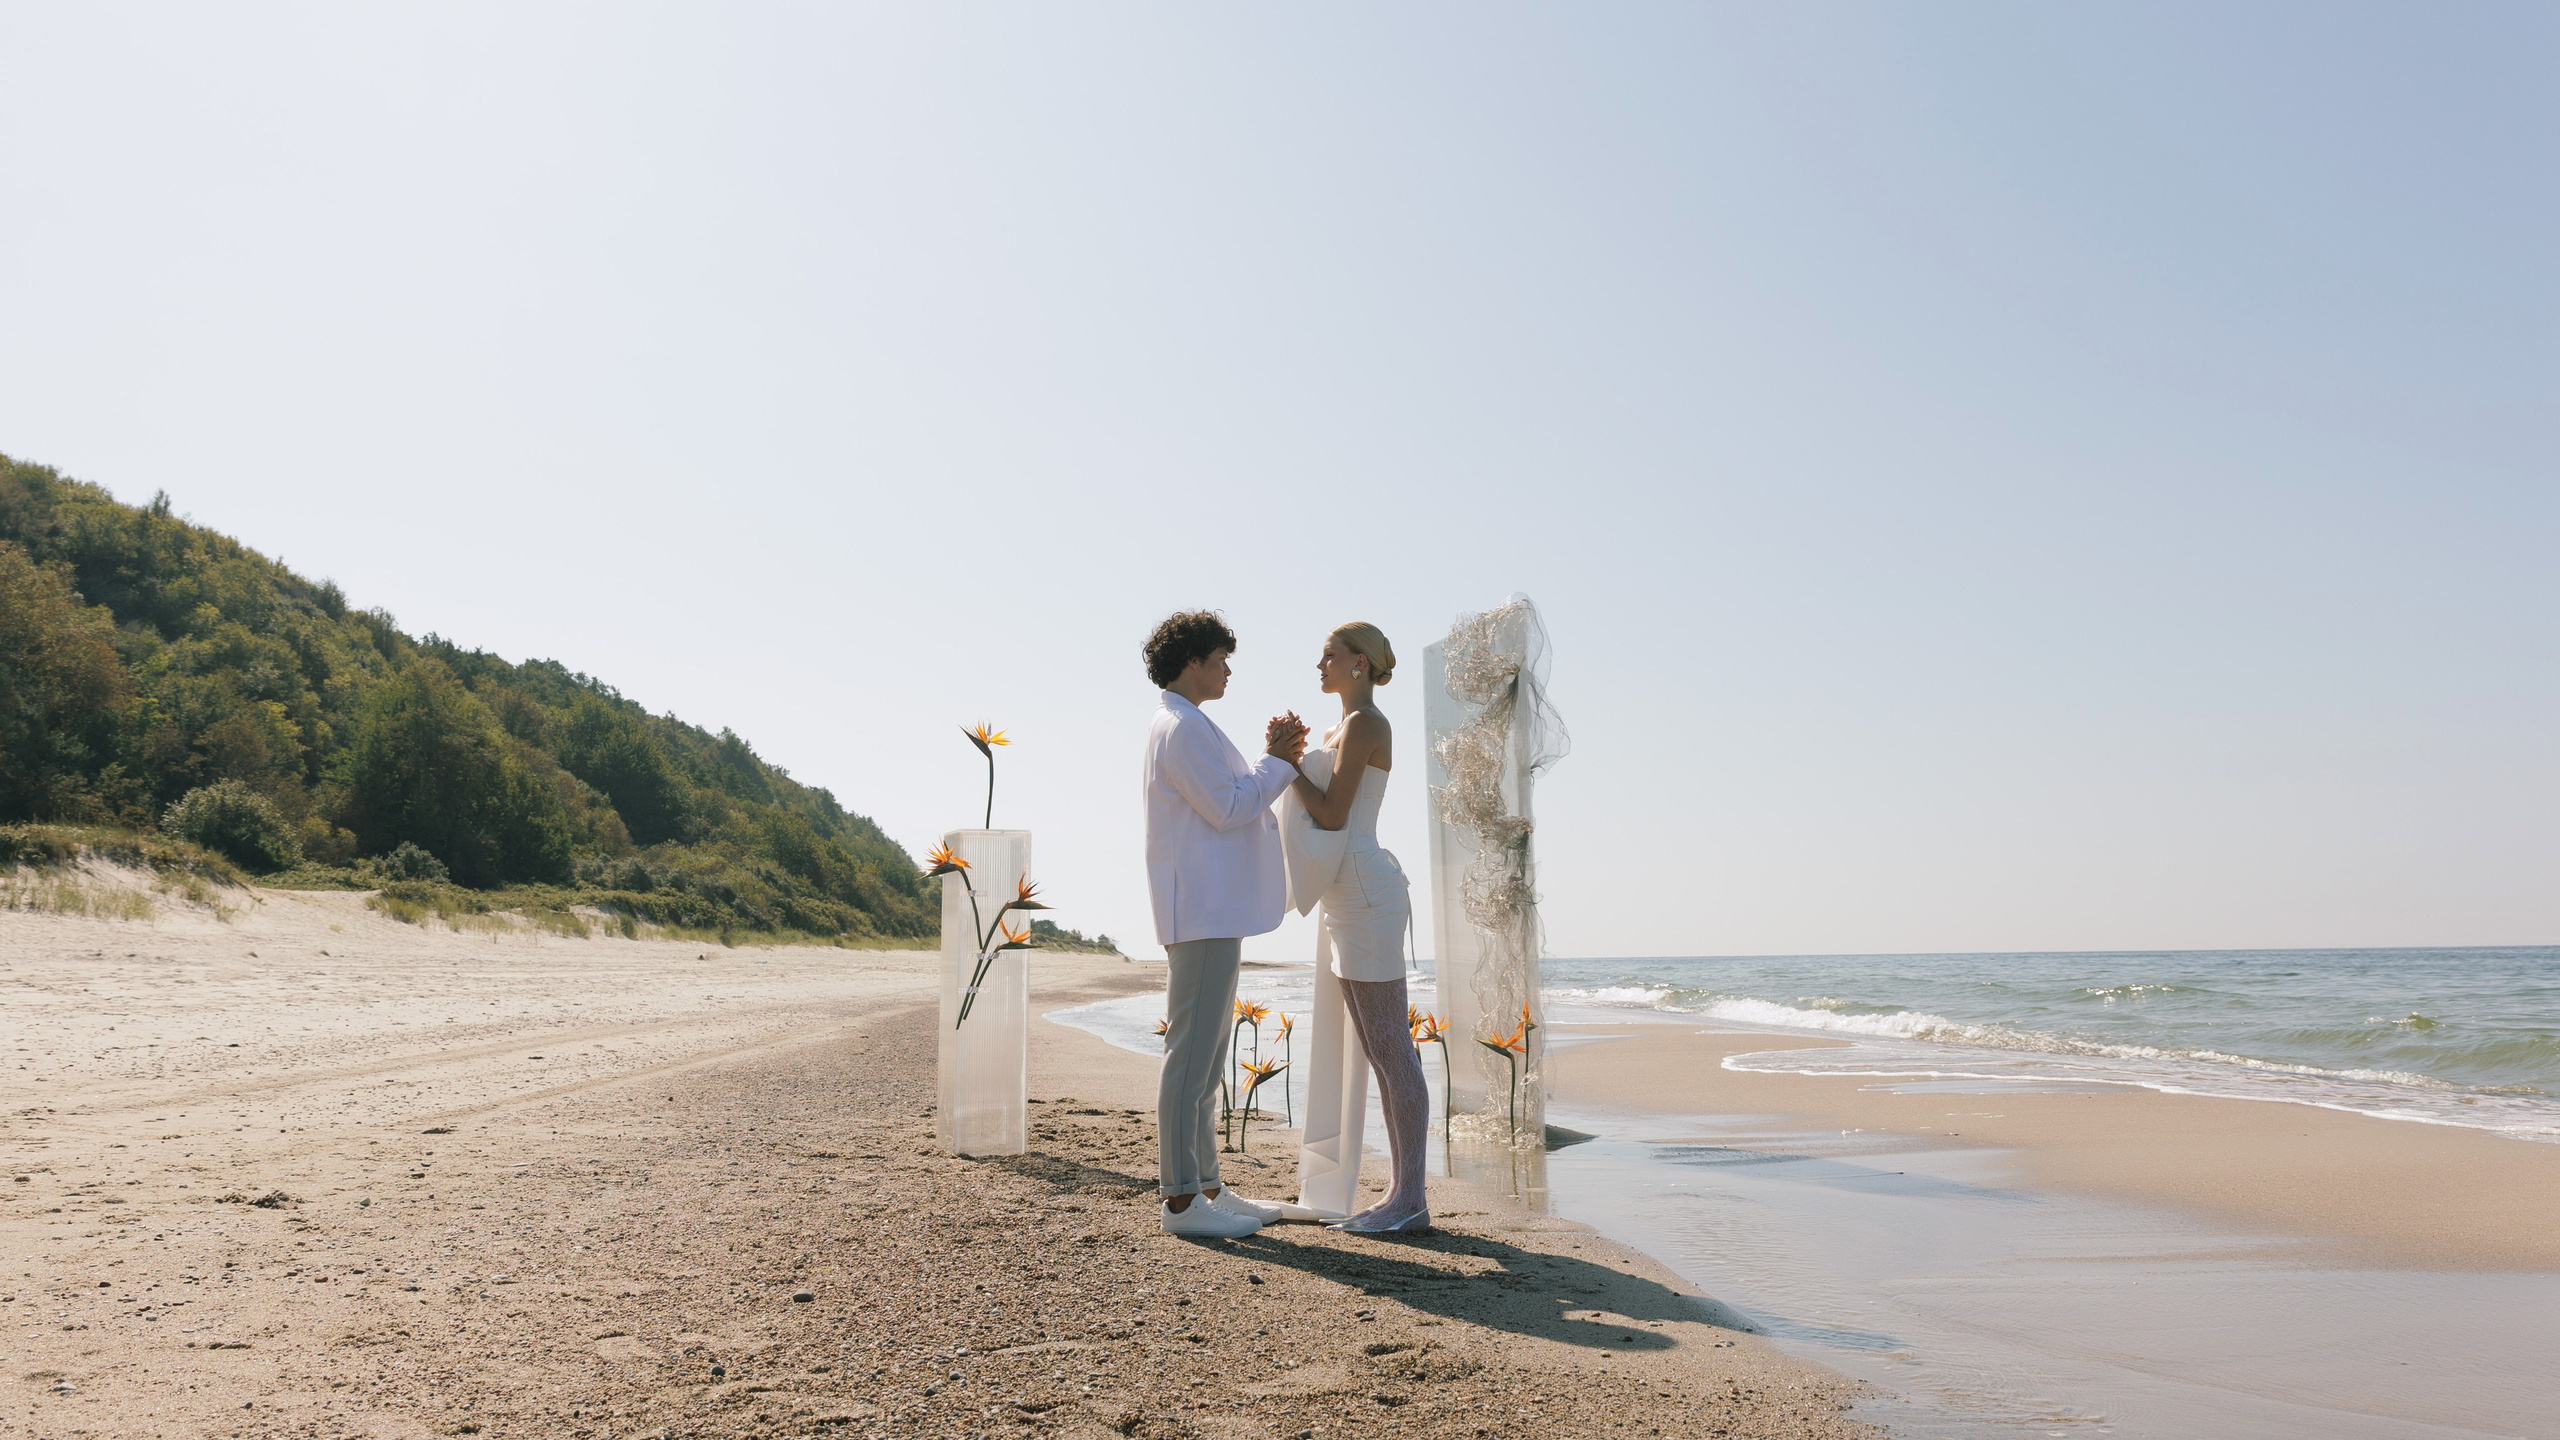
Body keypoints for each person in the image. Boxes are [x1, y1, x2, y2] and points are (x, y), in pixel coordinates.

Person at [1140, 610, 1307, 1238]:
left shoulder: (1184, 724)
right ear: (1191, 662)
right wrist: (1278, 762)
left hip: (1209, 906)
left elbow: (1229, 796)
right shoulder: (1180, 727)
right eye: (1219, 660)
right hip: (1202, 907)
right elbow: (1229, 806)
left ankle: (1206, 1186)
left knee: (1206, 1059)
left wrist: (1270, 761)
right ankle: (1182, 1202)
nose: (1228, 670)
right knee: (1190, 1058)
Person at [1276, 621, 1430, 1234]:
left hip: (1366, 888)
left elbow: (1335, 814)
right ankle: (1401, 1193)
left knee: (1392, 1048)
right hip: (1347, 893)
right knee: (1378, 1048)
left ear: (1360, 664)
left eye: (1329, 656)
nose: (1320, 665)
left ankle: (1410, 1200)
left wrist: (1284, 766)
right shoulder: (1342, 727)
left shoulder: (1367, 724)